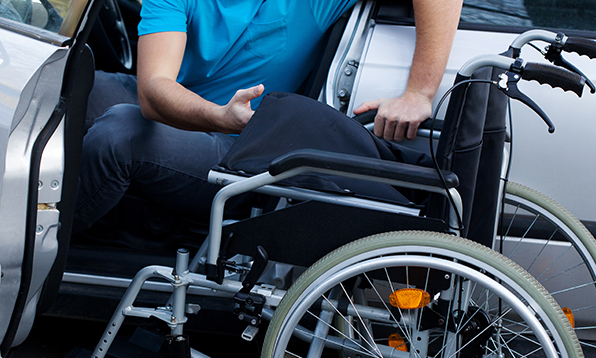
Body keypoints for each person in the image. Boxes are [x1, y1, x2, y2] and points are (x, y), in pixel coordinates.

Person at [73, 0, 463, 234]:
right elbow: (155, 91)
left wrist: (419, 91)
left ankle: (45, 246)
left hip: (241, 145)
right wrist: (218, 114)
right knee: (67, 80)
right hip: (204, 113)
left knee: (119, 132)